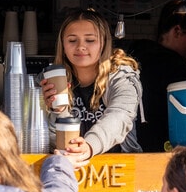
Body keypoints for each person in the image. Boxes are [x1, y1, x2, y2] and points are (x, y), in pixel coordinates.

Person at [41, 8, 143, 160]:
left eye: (90, 40)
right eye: (72, 40)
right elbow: (43, 141)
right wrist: (58, 111)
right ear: (62, 45)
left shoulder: (122, 78)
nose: (81, 46)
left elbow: (120, 116)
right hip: (70, 167)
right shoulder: (51, 80)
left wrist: (89, 146)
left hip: (118, 169)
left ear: (103, 43)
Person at [128, 0, 186, 152]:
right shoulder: (175, 68)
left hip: (132, 142)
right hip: (162, 146)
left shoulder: (136, 54)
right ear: (177, 31)